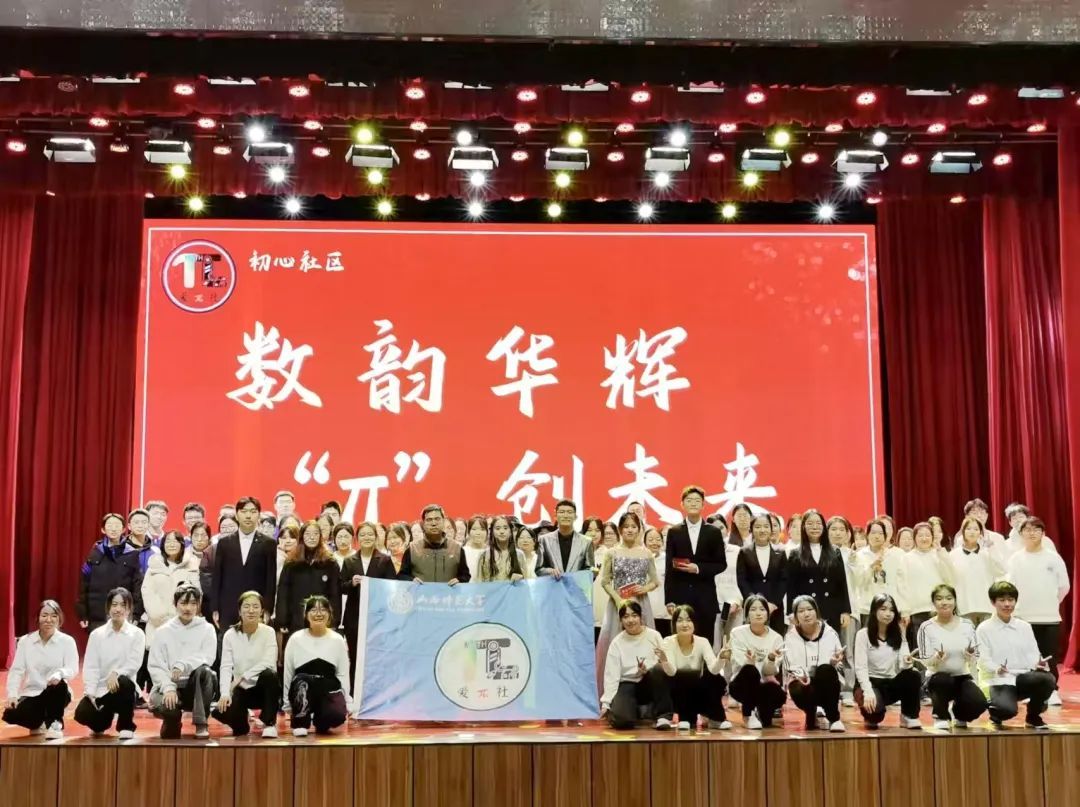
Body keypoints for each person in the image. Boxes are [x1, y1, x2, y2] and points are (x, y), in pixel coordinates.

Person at [1006, 516, 1070, 706]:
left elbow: (1064, 586)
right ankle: (1030, 690)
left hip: (1049, 616)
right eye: (1027, 530)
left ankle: (1052, 690)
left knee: (1048, 655)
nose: (1031, 533)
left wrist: (1051, 603)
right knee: (1026, 657)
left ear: (1043, 533)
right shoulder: (1016, 559)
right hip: (1023, 616)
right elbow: (1010, 586)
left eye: (1036, 529)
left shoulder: (1053, 557)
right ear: (1021, 534)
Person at [976, 581, 1056, 729]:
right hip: (999, 680)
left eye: (1011, 600)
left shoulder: (1024, 626)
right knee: (1006, 710)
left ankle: (1033, 716)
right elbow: (982, 660)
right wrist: (997, 668)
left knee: (1047, 679)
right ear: (993, 602)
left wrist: (1039, 663)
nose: (1007, 604)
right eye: (1002, 600)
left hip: (1022, 678)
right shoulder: (984, 629)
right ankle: (996, 712)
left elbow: (1033, 654)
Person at [596, 512, 660, 692]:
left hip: (640, 604)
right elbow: (605, 581)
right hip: (617, 605)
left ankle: (646, 691)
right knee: (614, 644)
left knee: (644, 643)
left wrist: (644, 589)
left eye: (633, 527)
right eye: (626, 527)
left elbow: (655, 581)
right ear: (620, 530)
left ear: (639, 530)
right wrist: (618, 600)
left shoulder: (646, 553)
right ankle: (612, 692)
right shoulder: (612, 553)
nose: (630, 530)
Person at [148, 585, 218, 739]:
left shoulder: (207, 629)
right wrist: (168, 688)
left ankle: (201, 723)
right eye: (183, 603)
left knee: (206, 672)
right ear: (175, 604)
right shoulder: (163, 631)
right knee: (170, 732)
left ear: (198, 605)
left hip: (195, 688)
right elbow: (155, 666)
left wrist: (183, 664)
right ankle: (172, 721)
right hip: (168, 687)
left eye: (193, 603)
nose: (188, 608)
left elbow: (208, 657)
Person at [74, 587, 144, 739]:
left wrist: (117, 673)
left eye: (123, 605)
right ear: (108, 607)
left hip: (123, 689)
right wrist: (90, 693)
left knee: (125, 682)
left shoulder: (137, 634)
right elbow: (91, 666)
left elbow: (134, 663)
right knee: (81, 713)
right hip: (102, 690)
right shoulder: (96, 635)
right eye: (114, 604)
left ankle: (126, 725)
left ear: (129, 609)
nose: (118, 609)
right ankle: (102, 721)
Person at [2, 600, 78, 739]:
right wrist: (12, 693)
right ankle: (38, 721)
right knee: (10, 714)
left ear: (59, 619)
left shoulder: (67, 641)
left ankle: (55, 723)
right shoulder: (25, 641)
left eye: (54, 616)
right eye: (44, 615)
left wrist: (60, 673)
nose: (49, 619)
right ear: (38, 618)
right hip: (33, 693)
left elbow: (72, 668)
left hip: (57, 691)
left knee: (58, 686)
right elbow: (17, 670)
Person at [212, 591, 281, 738]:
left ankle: (269, 723)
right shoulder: (230, 635)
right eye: (246, 606)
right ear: (239, 611)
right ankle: (241, 720)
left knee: (271, 675)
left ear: (261, 611)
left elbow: (269, 662)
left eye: (255, 606)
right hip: (241, 689)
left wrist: (242, 677)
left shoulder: (268, 632)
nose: (251, 610)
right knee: (226, 718)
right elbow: (225, 666)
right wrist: (225, 693)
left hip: (262, 688)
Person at [917, 584, 986, 729]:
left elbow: (975, 655)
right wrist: (936, 658)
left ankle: (959, 713)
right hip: (937, 677)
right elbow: (925, 660)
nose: (944, 602)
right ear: (933, 603)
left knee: (979, 703)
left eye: (949, 598)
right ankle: (941, 715)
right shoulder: (926, 627)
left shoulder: (967, 624)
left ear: (955, 601)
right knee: (942, 680)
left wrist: (969, 655)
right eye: (939, 599)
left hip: (962, 676)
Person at [664, 486, 727, 639]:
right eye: (689, 500)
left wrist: (698, 568)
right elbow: (669, 567)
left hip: (706, 597)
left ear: (703, 505)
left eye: (697, 500)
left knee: (706, 640)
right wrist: (669, 600)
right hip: (681, 597)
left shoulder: (713, 532)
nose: (693, 503)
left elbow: (721, 564)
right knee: (682, 640)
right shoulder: (674, 531)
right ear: (682, 504)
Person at [600, 601, 674, 730]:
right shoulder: (617, 643)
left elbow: (666, 663)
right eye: (626, 616)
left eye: (634, 615)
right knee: (622, 722)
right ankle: (629, 712)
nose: (630, 620)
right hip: (627, 683)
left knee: (658, 670)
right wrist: (606, 703)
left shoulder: (654, 635)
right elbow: (612, 676)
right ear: (621, 620)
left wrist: (646, 668)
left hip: (649, 682)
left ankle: (663, 716)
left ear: (640, 617)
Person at [284, 595, 352, 736]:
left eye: (323, 610)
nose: (318, 614)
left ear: (329, 614)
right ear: (306, 615)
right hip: (303, 687)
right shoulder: (295, 639)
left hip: (327, 688)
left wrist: (346, 701)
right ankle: (300, 722)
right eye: (314, 610)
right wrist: (287, 704)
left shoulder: (337, 640)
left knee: (336, 715)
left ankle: (321, 721)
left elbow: (343, 673)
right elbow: (288, 673)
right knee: (301, 681)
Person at [853, 593, 921, 729]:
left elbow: (904, 666)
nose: (888, 614)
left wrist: (904, 642)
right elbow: (860, 667)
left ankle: (908, 716)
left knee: (913, 674)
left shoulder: (898, 633)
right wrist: (868, 691)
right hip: (870, 682)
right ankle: (870, 712)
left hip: (890, 682)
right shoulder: (863, 634)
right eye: (883, 609)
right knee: (874, 717)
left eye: (891, 610)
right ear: (874, 611)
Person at [658, 605, 731, 730]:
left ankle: (715, 719)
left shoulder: (702, 641)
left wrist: (721, 657)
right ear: (674, 624)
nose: (684, 624)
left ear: (694, 623)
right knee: (679, 677)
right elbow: (671, 672)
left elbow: (714, 669)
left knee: (715, 678)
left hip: (697, 689)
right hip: (678, 690)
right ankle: (684, 718)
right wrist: (664, 661)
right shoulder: (668, 641)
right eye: (680, 620)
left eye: (688, 620)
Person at [340, 521, 395, 682]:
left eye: (370, 534)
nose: (367, 537)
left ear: (376, 537)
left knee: (375, 656)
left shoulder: (385, 560)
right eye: (362, 535)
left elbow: (392, 587)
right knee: (355, 656)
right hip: (354, 617)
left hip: (378, 617)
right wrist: (351, 583)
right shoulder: (349, 561)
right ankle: (354, 690)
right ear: (357, 539)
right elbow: (340, 587)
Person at [212, 497, 278, 630]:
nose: (248, 516)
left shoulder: (268, 543)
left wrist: (267, 609)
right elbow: (217, 577)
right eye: (244, 511)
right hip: (228, 607)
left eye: (253, 512)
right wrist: (215, 608)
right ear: (237, 515)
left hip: (256, 608)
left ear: (258, 515)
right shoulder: (224, 543)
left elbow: (270, 579)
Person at [785, 595, 846, 732]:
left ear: (816, 611)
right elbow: (791, 667)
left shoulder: (830, 633)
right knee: (796, 687)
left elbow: (839, 666)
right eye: (801, 611)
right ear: (795, 616)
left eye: (809, 609)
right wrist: (803, 676)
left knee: (826, 670)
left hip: (826, 682)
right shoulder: (790, 637)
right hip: (804, 681)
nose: (806, 614)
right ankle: (810, 712)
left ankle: (834, 719)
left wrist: (834, 663)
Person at [786, 509, 852, 636]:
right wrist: (791, 612)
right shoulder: (795, 554)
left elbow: (842, 584)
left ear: (823, 526)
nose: (815, 527)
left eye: (818, 523)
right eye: (810, 523)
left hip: (831, 610)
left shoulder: (835, 552)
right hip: (806, 611)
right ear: (803, 527)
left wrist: (845, 611)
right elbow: (791, 587)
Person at [78, 513, 143, 633]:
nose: (113, 529)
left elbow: (137, 586)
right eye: (110, 525)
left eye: (117, 525)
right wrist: (82, 613)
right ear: (103, 529)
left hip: (123, 613)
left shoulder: (132, 554)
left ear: (123, 529)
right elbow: (83, 584)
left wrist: (136, 614)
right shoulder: (95, 552)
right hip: (97, 614)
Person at [276, 519, 341, 640]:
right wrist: (282, 620)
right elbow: (283, 593)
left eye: (315, 534)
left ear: (320, 537)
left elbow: (335, 594)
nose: (312, 537)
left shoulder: (330, 563)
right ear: (301, 537)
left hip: (322, 620)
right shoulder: (292, 563)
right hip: (296, 620)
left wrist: (334, 622)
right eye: (308, 534)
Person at [728, 595, 787, 729]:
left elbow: (770, 671)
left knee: (778, 696)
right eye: (753, 609)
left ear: (767, 613)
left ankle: (761, 712)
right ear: (747, 614)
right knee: (751, 670)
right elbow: (739, 663)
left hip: (763, 684)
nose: (758, 613)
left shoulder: (776, 638)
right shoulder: (737, 633)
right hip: (741, 684)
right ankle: (748, 714)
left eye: (762, 609)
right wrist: (750, 661)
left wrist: (770, 659)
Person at [898, 522, 954, 647]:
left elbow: (950, 578)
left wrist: (940, 552)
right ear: (915, 538)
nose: (924, 538)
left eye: (927, 535)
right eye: (920, 535)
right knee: (921, 648)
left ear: (933, 537)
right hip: (917, 610)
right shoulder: (907, 558)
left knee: (941, 647)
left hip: (938, 609)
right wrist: (905, 611)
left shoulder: (938, 555)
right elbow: (902, 586)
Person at [141, 530, 202, 644]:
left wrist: (182, 615)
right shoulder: (154, 565)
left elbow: (197, 593)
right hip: (157, 624)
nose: (171, 544)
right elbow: (147, 592)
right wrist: (157, 615)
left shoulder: (190, 565)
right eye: (168, 541)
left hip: (184, 623)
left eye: (175, 541)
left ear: (182, 544)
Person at [948, 516, 1005, 626]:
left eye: (976, 529)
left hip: (986, 605)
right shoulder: (954, 555)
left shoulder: (987, 553)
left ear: (981, 533)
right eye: (968, 529)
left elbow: (1001, 570)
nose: (972, 532)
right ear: (963, 532)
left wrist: (992, 548)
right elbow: (950, 580)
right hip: (964, 606)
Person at [736, 514, 788, 635]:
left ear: (771, 529)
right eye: (758, 527)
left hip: (775, 608)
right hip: (753, 608)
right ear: (751, 529)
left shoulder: (780, 553)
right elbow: (742, 580)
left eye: (766, 526)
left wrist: (773, 603)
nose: (762, 530)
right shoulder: (744, 552)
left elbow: (784, 580)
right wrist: (754, 602)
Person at [828, 515, 860, 706]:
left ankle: (847, 690)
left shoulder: (854, 555)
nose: (838, 533)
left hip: (850, 609)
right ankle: (830, 688)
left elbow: (859, 582)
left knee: (847, 650)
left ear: (848, 534)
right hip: (828, 609)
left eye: (842, 529)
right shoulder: (822, 553)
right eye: (833, 529)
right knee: (828, 650)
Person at [397, 504, 472, 584]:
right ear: (423, 524)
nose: (433, 523)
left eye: (437, 519)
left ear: (443, 521)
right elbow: (402, 575)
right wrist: (411, 580)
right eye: (429, 520)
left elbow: (465, 575)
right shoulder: (412, 549)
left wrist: (459, 580)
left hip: (448, 592)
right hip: (421, 592)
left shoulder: (457, 548)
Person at [853, 519, 904, 628]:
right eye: (873, 533)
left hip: (890, 608)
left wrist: (904, 609)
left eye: (881, 533)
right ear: (867, 535)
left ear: (885, 536)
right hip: (867, 608)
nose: (877, 536)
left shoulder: (896, 555)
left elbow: (901, 583)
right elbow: (857, 582)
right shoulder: (859, 556)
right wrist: (871, 568)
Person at [538, 499, 596, 580]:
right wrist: (549, 571)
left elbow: (590, 570)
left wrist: (591, 573)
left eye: (569, 512)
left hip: (576, 586)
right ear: (555, 516)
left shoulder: (586, 542)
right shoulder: (544, 540)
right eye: (562, 512)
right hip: (552, 585)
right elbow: (538, 569)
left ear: (575, 517)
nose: (565, 515)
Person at [478, 516, 526, 582]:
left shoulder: (519, 554)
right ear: (492, 532)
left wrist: (521, 578)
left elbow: (526, 581)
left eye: (505, 528)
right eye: (497, 528)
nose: (502, 531)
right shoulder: (484, 555)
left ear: (510, 531)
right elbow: (479, 581)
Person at [643, 529, 669, 636]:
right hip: (646, 609)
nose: (655, 542)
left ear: (662, 542)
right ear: (644, 542)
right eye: (650, 540)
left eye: (658, 539)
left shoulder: (668, 560)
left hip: (665, 611)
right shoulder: (640, 559)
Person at [189, 521, 216, 619]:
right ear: (191, 537)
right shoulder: (184, 557)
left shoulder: (216, 554)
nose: (199, 539)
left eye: (203, 535)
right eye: (196, 535)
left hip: (212, 604)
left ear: (209, 537)